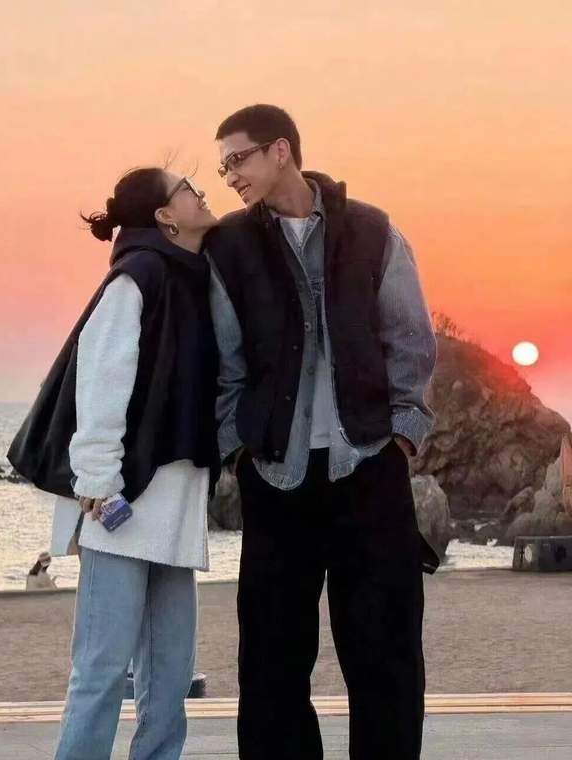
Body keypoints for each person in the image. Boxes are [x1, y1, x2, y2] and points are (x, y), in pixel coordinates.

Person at [205, 104, 439, 760]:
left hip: (368, 468)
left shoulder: (371, 229)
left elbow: (411, 340)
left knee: (386, 656)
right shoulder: (229, 245)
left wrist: (400, 440)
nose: (230, 176)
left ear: (280, 150)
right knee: (271, 664)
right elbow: (225, 363)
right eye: (223, 167)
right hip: (275, 476)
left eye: (237, 159)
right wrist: (238, 452)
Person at [29, 166, 219, 760]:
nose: (201, 194)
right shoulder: (137, 277)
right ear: (165, 216)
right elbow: (101, 380)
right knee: (103, 668)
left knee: (170, 674)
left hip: (175, 502)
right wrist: (97, 480)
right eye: (187, 189)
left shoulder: (194, 277)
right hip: (122, 503)